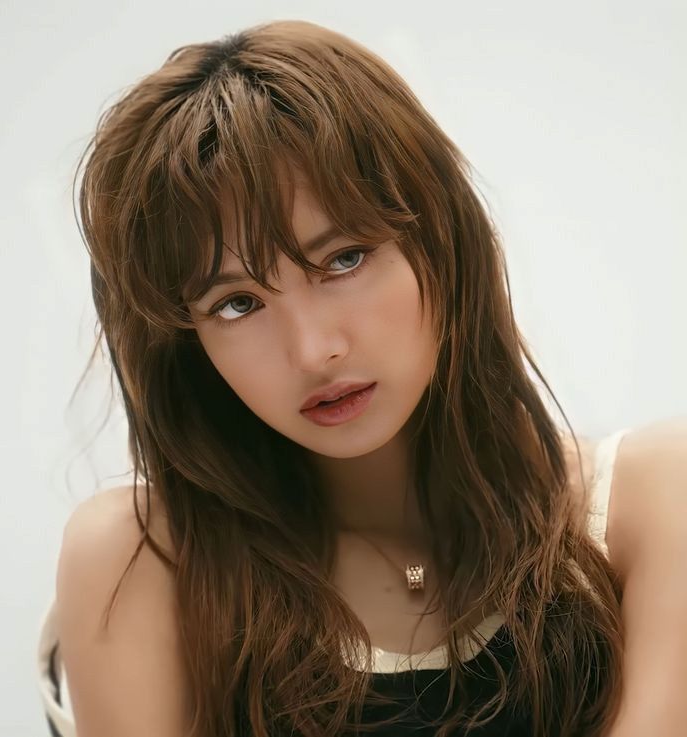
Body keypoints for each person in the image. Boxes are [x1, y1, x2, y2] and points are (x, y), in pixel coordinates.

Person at [36, 19, 687, 737]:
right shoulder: (145, 561)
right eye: (237, 303)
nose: (315, 350)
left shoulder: (649, 502)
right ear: (188, 344)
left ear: (440, 239)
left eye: (342, 259)